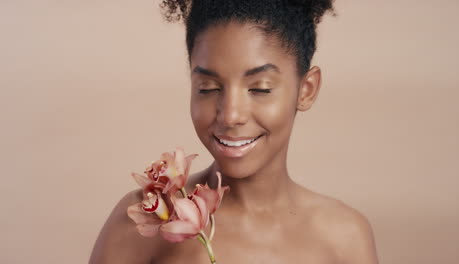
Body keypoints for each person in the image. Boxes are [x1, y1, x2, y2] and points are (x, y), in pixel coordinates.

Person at [90, 0, 379, 263]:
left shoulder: (346, 238)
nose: (230, 115)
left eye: (260, 88)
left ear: (306, 89)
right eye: (209, 88)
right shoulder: (146, 219)